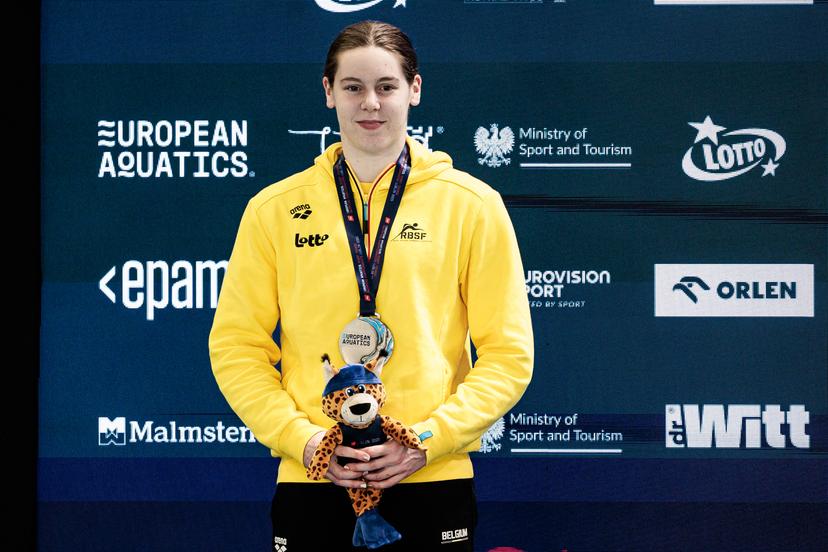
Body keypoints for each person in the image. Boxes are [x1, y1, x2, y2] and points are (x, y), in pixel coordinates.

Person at [208, 20, 533, 551]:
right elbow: (235, 348)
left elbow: (508, 355)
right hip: (313, 479)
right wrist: (307, 441)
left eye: (386, 87)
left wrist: (424, 441)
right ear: (328, 92)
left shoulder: (471, 206)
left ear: (415, 90)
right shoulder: (273, 211)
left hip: (430, 477)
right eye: (353, 87)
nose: (371, 104)